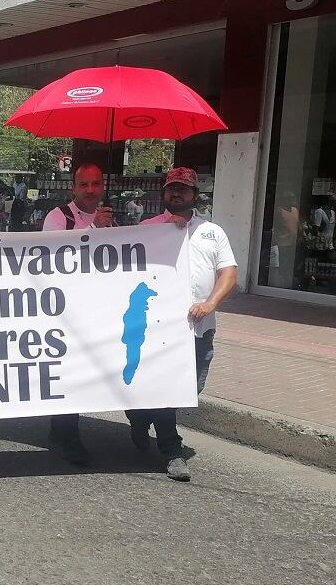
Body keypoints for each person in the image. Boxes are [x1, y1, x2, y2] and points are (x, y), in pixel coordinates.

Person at [129, 167, 238, 481]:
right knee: (168, 389)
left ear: (195, 195)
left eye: (183, 189)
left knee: (192, 387)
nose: (177, 193)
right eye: (172, 188)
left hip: (200, 327)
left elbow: (229, 274)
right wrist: (164, 232)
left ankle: (139, 414)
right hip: (160, 330)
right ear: (164, 193)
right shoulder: (148, 228)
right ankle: (172, 450)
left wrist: (210, 304)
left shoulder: (212, 232)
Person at [40, 162, 114, 463]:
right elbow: (54, 255)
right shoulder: (58, 217)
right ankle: (69, 435)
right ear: (74, 188)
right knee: (69, 371)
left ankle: (60, 428)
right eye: (84, 184)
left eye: (96, 184)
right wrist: (94, 228)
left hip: (96, 309)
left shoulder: (110, 220)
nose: (90, 190)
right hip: (64, 311)